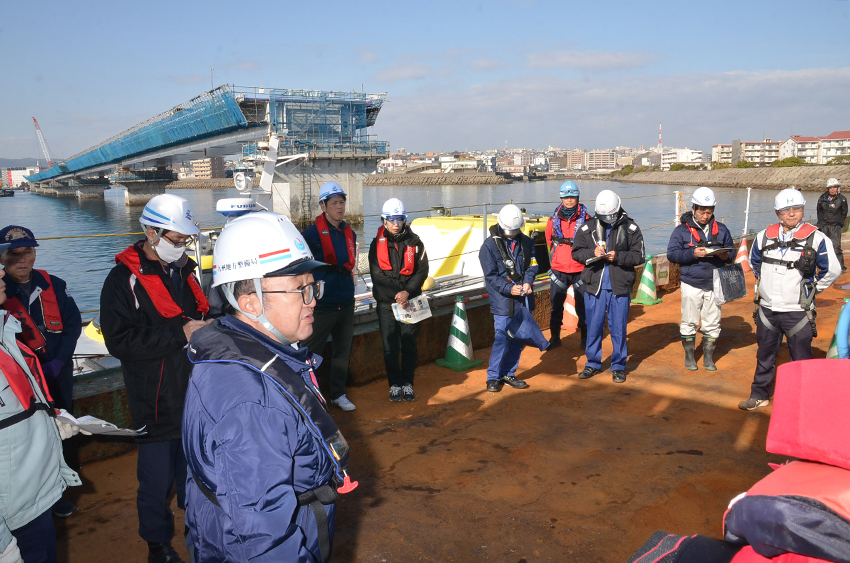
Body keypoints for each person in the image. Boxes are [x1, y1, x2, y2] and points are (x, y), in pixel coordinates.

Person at [184, 212, 355, 563]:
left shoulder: (239, 350)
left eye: (313, 286)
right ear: (250, 302)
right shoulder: (253, 400)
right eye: (301, 289)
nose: (313, 300)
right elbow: (263, 537)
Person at [100, 194, 210, 563]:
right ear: (151, 232)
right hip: (155, 398)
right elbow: (119, 341)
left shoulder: (184, 272)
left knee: (196, 470)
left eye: (183, 241)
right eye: (175, 240)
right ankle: (157, 546)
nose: (180, 247)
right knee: (155, 479)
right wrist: (181, 333)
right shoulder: (121, 281)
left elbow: (199, 315)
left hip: (194, 393)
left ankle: (199, 530)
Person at [1, 247, 83, 563]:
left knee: (60, 426)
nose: (22, 260)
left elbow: (73, 323)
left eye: (29, 252)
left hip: (53, 373)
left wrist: (60, 360)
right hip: (23, 378)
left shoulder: (54, 284)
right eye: (12, 255)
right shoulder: (7, 294)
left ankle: (56, 492)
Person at [740, 188, 840, 411]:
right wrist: (764, 285)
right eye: (786, 210)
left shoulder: (816, 238)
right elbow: (755, 264)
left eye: (797, 208)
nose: (792, 214)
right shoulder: (764, 236)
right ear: (778, 212)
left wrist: (813, 290)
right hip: (767, 309)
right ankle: (759, 394)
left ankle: (802, 401)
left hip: (798, 311)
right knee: (764, 354)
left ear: (803, 210)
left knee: (802, 358)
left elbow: (832, 270)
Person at [571, 190, 646, 383]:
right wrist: (592, 252)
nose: (607, 220)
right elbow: (576, 252)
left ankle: (619, 365)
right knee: (594, 326)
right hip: (594, 286)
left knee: (619, 328)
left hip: (619, 286)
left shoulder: (631, 229)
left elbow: (639, 256)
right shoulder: (587, 228)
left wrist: (618, 257)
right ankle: (592, 363)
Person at [301, 181, 358, 412]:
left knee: (343, 352)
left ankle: (338, 394)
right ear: (323, 206)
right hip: (322, 303)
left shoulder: (350, 233)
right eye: (334, 202)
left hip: (345, 300)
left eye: (342, 202)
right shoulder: (310, 235)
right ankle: (307, 395)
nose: (339, 207)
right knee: (311, 351)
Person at [666, 187, 735, 371]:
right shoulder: (681, 231)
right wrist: (692, 253)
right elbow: (672, 254)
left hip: (715, 282)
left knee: (713, 320)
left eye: (709, 211)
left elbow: (731, 254)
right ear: (694, 208)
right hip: (691, 282)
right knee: (689, 319)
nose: (706, 215)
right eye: (702, 211)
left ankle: (708, 358)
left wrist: (724, 256)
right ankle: (690, 356)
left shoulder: (721, 229)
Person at [368, 198, 429, 402]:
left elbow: (422, 271)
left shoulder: (416, 242)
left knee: (409, 343)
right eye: (392, 220)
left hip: (411, 302)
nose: (396, 224)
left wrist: (408, 293)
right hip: (387, 304)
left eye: (399, 219)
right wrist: (398, 293)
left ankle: (407, 382)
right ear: (384, 220)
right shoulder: (376, 245)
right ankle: (394, 383)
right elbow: (377, 275)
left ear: (404, 220)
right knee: (389, 345)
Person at [480, 204, 541, 392]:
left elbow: (533, 265)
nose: (513, 234)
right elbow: (491, 276)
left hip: (522, 299)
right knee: (502, 338)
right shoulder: (489, 247)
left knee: (518, 339)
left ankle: (508, 373)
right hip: (503, 301)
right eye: (510, 231)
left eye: (516, 231)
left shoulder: (526, 242)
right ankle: (493, 376)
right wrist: (509, 288)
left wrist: (528, 282)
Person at [545, 181, 592, 349]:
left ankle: (585, 339)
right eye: (566, 197)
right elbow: (549, 240)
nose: (569, 200)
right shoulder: (553, 220)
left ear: (578, 197)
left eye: (572, 197)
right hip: (559, 270)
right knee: (555, 306)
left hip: (581, 270)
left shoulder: (588, 220)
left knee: (584, 307)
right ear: (561, 198)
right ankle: (555, 338)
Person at [816, 177, 847, 272]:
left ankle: (840, 267)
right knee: (823, 247)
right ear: (828, 188)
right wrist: (821, 224)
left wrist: (838, 223)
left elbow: (844, 212)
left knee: (836, 247)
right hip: (824, 226)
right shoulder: (822, 198)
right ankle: (825, 267)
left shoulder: (842, 199)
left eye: (835, 187)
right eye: (830, 187)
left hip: (835, 227)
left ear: (837, 188)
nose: (833, 189)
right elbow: (819, 211)